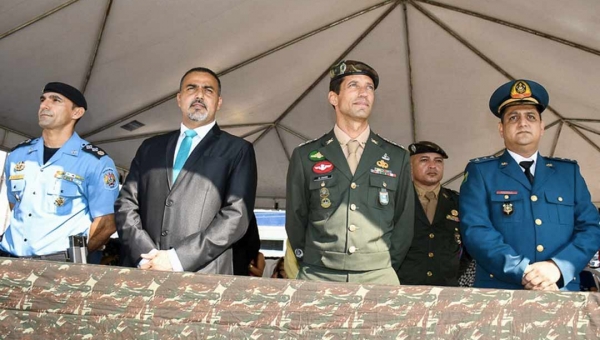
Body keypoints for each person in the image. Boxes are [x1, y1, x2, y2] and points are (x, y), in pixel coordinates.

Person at [460, 79, 600, 291]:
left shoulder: (568, 173)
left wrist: (558, 268)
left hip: (560, 290)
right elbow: (476, 232)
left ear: (542, 128)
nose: (523, 123)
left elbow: (591, 227)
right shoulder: (481, 172)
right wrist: (524, 271)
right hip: (501, 293)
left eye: (531, 117)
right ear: (501, 128)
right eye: (513, 117)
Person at [116, 67, 257, 274]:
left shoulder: (237, 150)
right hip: (144, 268)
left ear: (218, 102)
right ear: (179, 99)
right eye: (191, 88)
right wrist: (145, 254)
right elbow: (125, 204)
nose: (199, 95)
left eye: (208, 90)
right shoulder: (150, 147)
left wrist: (176, 259)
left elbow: (236, 216)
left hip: (203, 274)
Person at [285, 60, 414, 285]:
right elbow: (296, 219)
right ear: (333, 98)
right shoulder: (306, 155)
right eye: (354, 85)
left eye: (369, 87)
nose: (364, 93)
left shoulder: (396, 156)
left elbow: (404, 221)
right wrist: (312, 260)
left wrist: (381, 264)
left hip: (378, 275)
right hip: (319, 275)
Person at [1, 82, 119, 261]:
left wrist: (73, 259)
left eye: (56, 100)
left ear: (76, 112)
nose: (44, 105)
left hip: (57, 267)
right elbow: (16, 206)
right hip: (9, 259)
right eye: (43, 99)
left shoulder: (95, 162)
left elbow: (106, 223)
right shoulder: (18, 155)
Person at [397, 141, 472, 286]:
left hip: (446, 288)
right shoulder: (397, 199)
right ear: (410, 167)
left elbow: (469, 246)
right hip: (404, 286)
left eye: (438, 161)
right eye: (424, 160)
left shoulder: (458, 201)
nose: (432, 166)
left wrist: (452, 272)